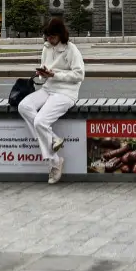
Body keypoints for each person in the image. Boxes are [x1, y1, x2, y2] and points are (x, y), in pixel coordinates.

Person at [18, 18, 85, 184]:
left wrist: (55, 74)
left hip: (66, 93)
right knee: (24, 106)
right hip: (48, 88)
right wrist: (43, 73)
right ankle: (54, 139)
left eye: (52, 37)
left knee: (41, 121)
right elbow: (44, 71)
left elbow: (79, 75)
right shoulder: (46, 48)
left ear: (60, 35)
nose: (49, 40)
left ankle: (55, 162)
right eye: (47, 36)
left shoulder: (71, 50)